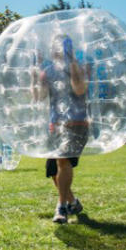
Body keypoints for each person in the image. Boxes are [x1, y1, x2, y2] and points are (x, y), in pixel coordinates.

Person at [33, 34, 90, 224]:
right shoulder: (47, 71)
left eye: (63, 47)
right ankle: (73, 202)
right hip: (55, 125)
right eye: (56, 47)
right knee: (53, 170)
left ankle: (62, 208)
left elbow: (80, 89)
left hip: (76, 123)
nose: (58, 50)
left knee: (63, 163)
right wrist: (35, 74)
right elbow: (39, 97)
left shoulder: (80, 68)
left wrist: (72, 62)